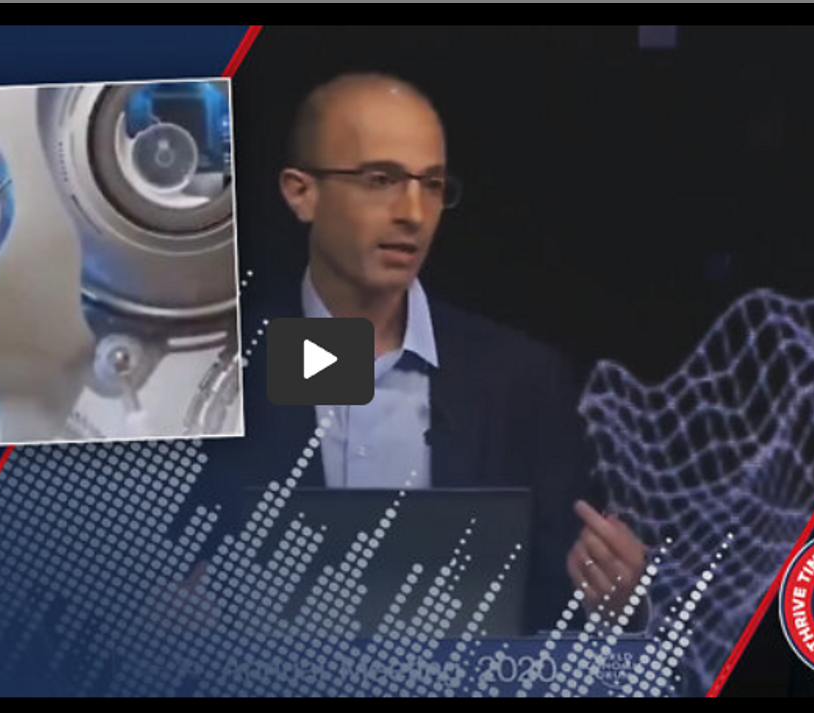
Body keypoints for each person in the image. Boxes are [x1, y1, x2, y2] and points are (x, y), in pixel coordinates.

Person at [199, 73, 647, 631]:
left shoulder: (520, 380)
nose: (412, 212)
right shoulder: (215, 371)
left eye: (431, 184)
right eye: (381, 179)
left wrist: (619, 604)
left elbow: (564, 608)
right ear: (301, 193)